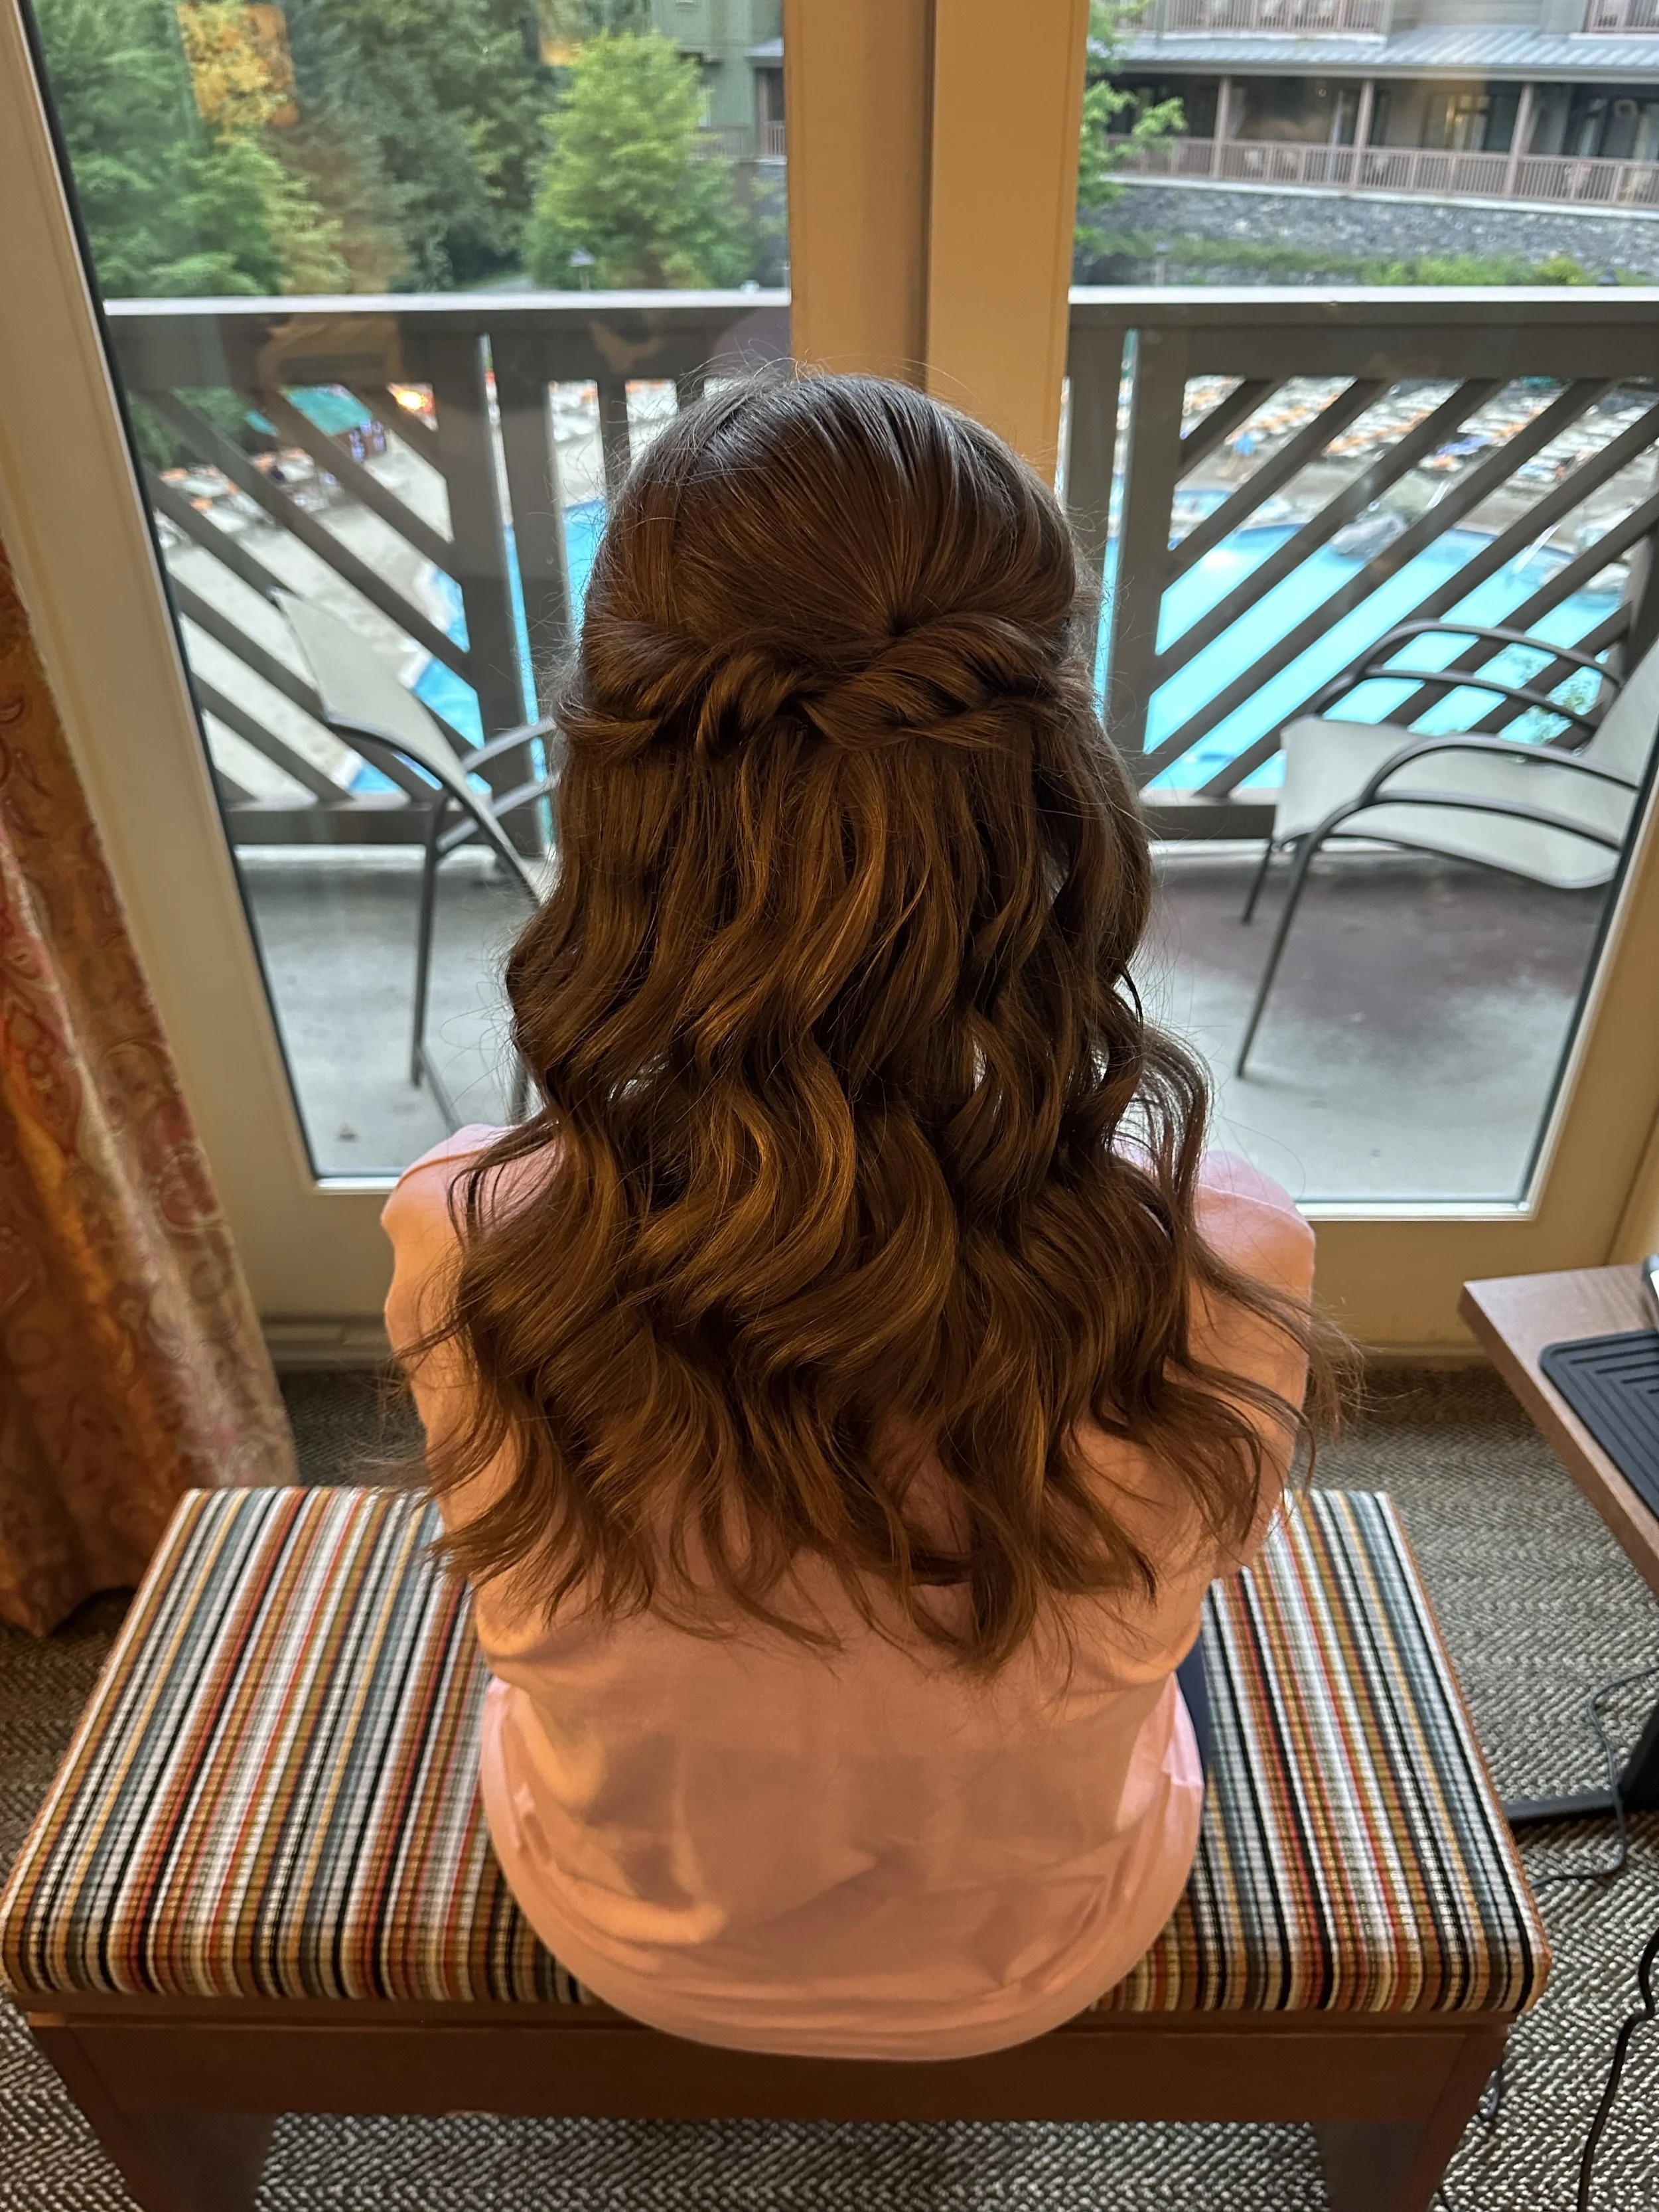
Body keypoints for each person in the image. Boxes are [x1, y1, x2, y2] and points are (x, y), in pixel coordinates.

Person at [384, 372, 1329, 2064]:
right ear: (1048, 771)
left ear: (616, 772)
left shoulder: (470, 1231)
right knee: (1156, 1624)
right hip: (1045, 1943)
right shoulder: (1227, 1258)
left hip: (623, 1919)